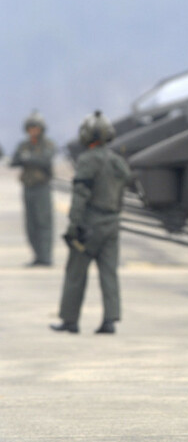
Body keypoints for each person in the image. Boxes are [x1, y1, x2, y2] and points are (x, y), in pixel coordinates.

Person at [51, 111, 131, 335]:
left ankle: (70, 320)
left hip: (89, 226)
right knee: (109, 273)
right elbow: (124, 186)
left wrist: (73, 226)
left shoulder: (87, 160)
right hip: (112, 224)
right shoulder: (117, 161)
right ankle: (110, 319)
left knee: (76, 272)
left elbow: (80, 196)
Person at [11, 111, 56, 267]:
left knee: (43, 222)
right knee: (31, 224)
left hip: (42, 188)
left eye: (35, 127)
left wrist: (29, 158)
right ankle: (37, 255)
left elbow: (45, 160)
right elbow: (14, 161)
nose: (33, 130)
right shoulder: (24, 145)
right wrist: (25, 158)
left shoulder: (47, 145)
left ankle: (46, 256)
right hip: (28, 188)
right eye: (30, 127)